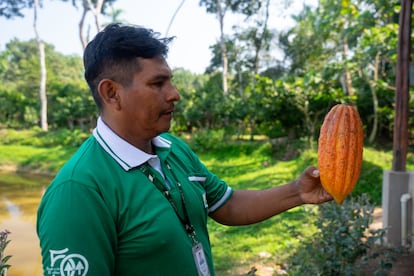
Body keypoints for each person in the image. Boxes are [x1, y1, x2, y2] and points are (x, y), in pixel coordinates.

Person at [37, 23, 332, 276]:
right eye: (158, 83)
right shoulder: (78, 191)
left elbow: (225, 205)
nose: (174, 94)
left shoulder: (172, 148)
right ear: (112, 93)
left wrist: (298, 192)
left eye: (171, 80)